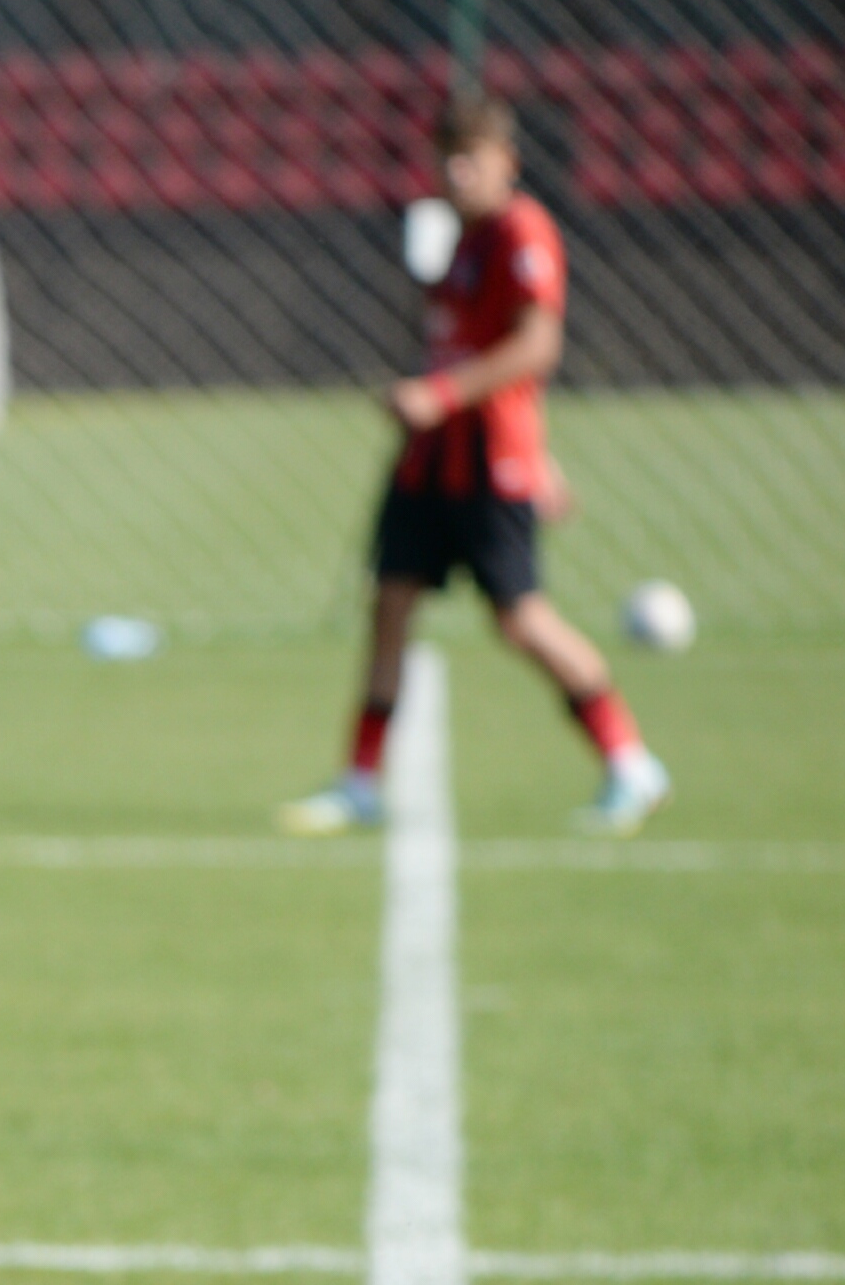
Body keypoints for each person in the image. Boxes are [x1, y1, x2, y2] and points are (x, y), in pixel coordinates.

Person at [280, 92, 667, 839]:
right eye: (447, 159)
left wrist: (443, 396)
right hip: (430, 461)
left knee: (520, 619)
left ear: (506, 164)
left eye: (473, 159)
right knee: (389, 603)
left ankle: (630, 761)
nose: (458, 173)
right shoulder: (456, 240)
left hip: (488, 460)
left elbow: (535, 347)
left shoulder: (522, 231)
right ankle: (358, 780)